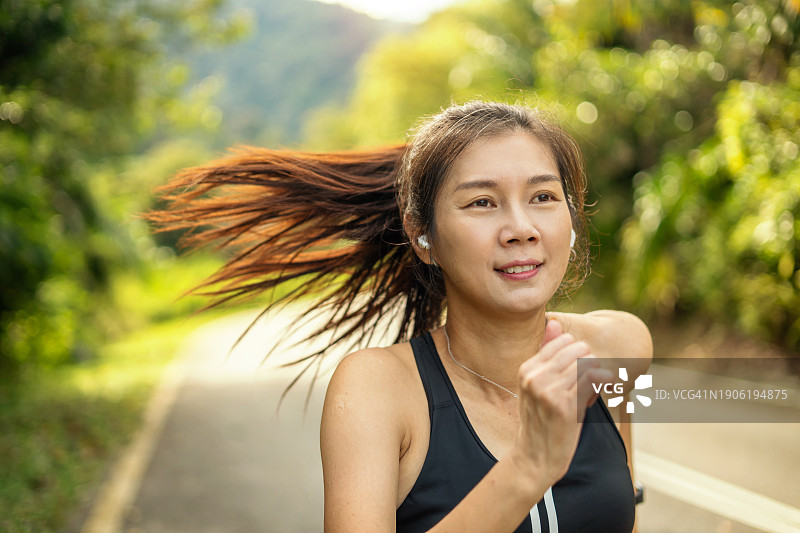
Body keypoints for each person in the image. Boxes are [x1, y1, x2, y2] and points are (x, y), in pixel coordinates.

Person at [149, 101, 652, 532]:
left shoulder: (618, 348)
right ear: (422, 236)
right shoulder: (376, 389)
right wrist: (527, 469)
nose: (521, 228)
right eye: (482, 202)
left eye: (543, 197)